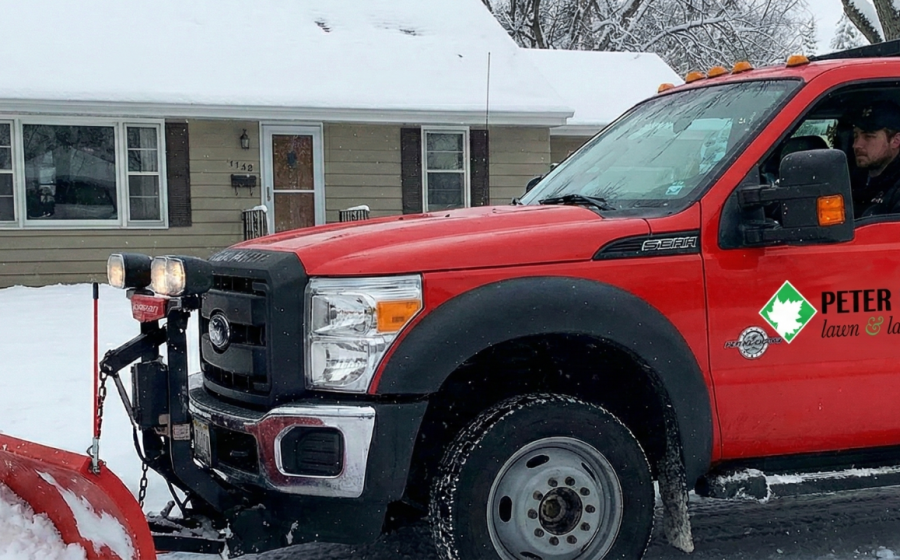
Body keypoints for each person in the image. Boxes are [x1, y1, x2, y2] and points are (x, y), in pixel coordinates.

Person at [849, 100, 900, 217]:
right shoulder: (852, 178)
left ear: (896, 141)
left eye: (868, 136)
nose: (856, 145)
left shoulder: (895, 188)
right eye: (856, 136)